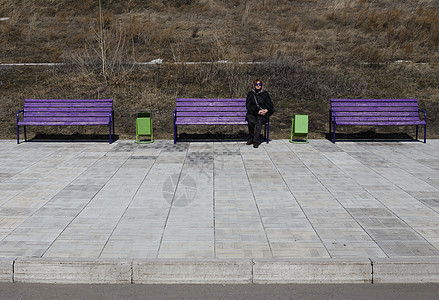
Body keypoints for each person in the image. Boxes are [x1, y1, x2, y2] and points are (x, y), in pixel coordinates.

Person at [246, 79, 275, 148]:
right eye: (256, 84)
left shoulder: (265, 93)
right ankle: (251, 137)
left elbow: (271, 105)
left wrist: (266, 110)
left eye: (259, 85)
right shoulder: (250, 94)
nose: (258, 86)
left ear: (261, 86)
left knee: (259, 123)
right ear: (254, 85)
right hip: (253, 113)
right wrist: (257, 111)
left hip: (263, 114)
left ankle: (255, 141)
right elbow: (248, 106)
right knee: (251, 122)